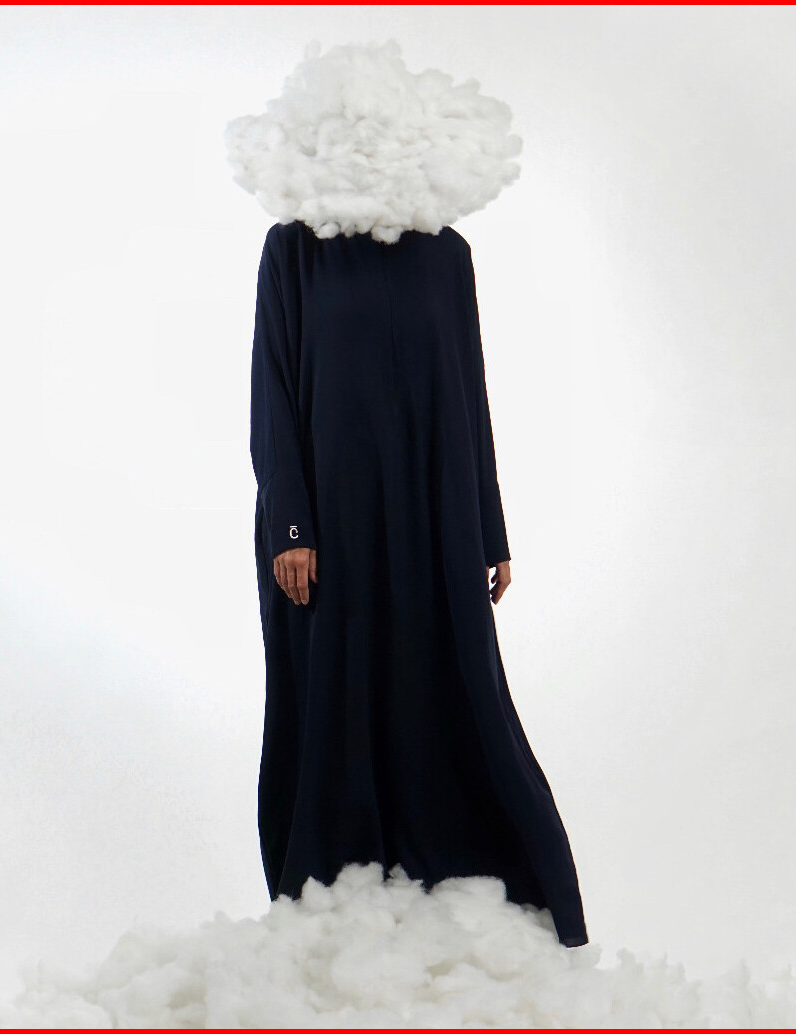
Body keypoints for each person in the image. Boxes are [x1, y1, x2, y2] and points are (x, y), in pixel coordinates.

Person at [230, 39, 589, 948]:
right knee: (334, 692)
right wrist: (291, 526)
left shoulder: (447, 255)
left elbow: (470, 393)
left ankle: (474, 888)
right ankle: (332, 902)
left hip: (435, 512)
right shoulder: (293, 251)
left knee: (453, 692)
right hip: (327, 518)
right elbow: (272, 395)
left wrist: (489, 529)